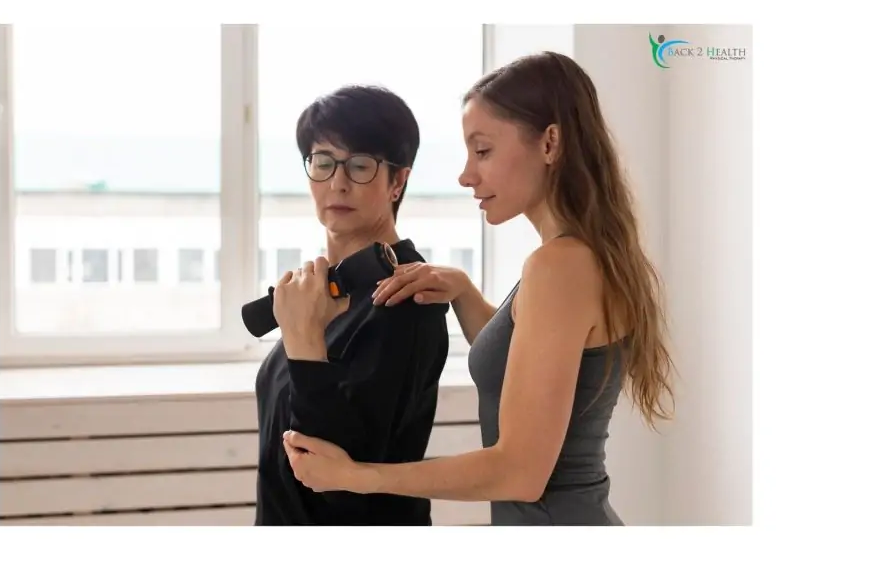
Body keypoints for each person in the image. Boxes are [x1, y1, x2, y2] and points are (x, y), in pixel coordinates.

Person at [280, 51, 677, 526]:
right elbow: (529, 369)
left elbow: (519, 473)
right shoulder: (572, 259)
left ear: (550, 143)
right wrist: (464, 291)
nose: (467, 175)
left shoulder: (561, 266)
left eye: (483, 151)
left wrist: (360, 475)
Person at [254, 84, 451, 525]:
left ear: (397, 180)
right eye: (323, 163)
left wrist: (304, 343)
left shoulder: (408, 297)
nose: (338, 182)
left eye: (360, 165)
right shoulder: (325, 291)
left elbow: (341, 480)